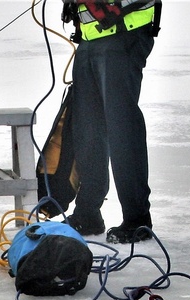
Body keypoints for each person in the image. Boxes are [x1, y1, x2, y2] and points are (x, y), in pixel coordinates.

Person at [61, 1, 160, 245]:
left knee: (122, 130)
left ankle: (137, 220)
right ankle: (88, 213)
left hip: (125, 33)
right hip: (91, 39)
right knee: (87, 130)